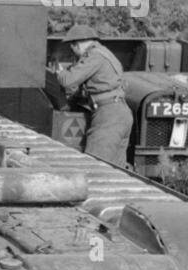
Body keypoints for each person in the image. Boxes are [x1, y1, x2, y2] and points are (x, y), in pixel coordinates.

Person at [50, 24, 133, 166]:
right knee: (116, 173)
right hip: (119, 112)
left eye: (72, 46)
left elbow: (68, 81)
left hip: (109, 116)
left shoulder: (94, 56)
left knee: (94, 168)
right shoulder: (104, 53)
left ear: (76, 44)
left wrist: (59, 72)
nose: (72, 50)